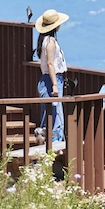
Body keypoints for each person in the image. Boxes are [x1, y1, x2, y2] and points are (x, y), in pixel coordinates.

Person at [34, 8, 68, 143]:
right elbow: (50, 64)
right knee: (56, 115)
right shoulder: (51, 42)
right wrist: (55, 84)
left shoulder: (43, 40)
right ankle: (55, 143)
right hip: (52, 79)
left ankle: (45, 141)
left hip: (45, 80)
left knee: (48, 114)